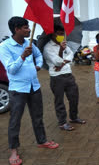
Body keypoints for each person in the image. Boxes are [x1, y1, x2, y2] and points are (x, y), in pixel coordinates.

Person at [0, 17, 59, 165]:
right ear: (16, 29)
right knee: (15, 121)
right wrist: (22, 56)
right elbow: (11, 70)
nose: (28, 30)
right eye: (25, 28)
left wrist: (38, 66)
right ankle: (13, 151)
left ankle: (42, 140)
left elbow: (38, 55)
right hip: (18, 90)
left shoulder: (29, 43)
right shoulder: (5, 47)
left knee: (38, 116)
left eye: (28, 27)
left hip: (34, 86)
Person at [43, 22, 86, 131]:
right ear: (53, 34)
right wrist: (61, 52)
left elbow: (71, 55)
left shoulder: (64, 44)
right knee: (59, 101)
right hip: (57, 77)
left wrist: (62, 62)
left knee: (74, 97)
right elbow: (56, 62)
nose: (61, 36)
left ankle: (74, 117)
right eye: (59, 34)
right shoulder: (48, 48)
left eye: (62, 33)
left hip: (68, 74)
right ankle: (62, 122)